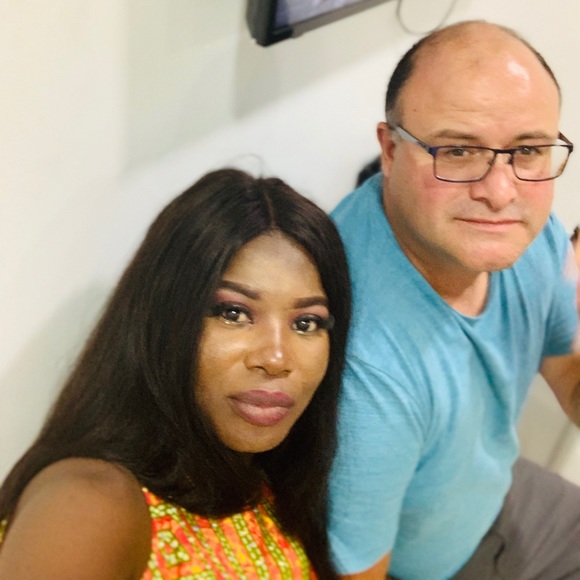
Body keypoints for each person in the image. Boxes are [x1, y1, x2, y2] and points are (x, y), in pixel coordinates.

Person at [0, 168, 351, 579]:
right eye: (233, 313)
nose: (276, 358)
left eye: (306, 323)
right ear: (163, 320)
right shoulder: (90, 502)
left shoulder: (265, 485)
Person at [328, 20, 580, 580]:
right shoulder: (363, 365)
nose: (501, 192)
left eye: (528, 150)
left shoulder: (529, 235)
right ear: (390, 150)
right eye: (459, 150)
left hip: (492, 490)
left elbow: (569, 377)